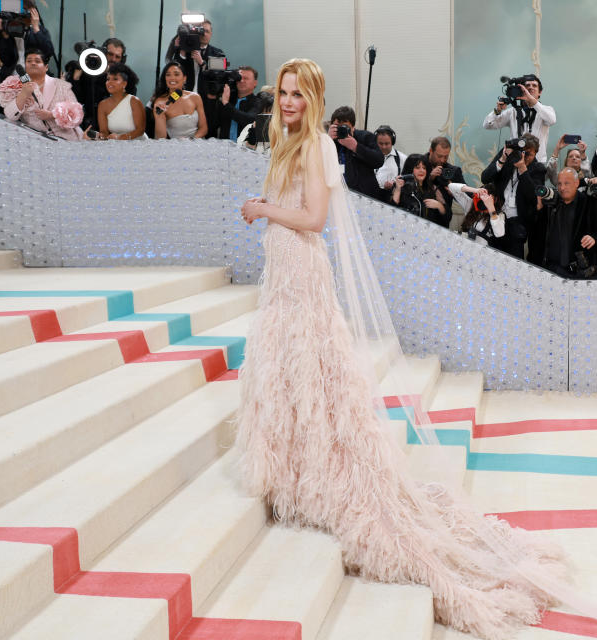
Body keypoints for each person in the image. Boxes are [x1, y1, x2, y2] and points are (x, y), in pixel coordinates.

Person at [235, 57, 565, 640]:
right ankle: (292, 467)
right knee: (289, 366)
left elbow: (313, 218)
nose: (287, 102)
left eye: (296, 94)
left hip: (302, 268)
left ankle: (319, 470)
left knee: (313, 367)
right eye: (282, 93)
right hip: (283, 269)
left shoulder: (313, 144)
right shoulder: (285, 138)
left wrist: (263, 210)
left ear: (312, 97)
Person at [479, 133, 546, 260]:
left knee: (514, 263)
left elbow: (532, 196)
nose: (524, 156)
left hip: (518, 224)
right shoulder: (508, 156)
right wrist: (502, 159)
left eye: (529, 154)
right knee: (492, 259)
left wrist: (522, 168)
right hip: (497, 217)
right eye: (523, 152)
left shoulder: (538, 169)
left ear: (536, 154)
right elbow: (485, 178)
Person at [0, 49, 83, 140]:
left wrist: (52, 115)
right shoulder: (15, 85)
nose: (33, 63)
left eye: (37, 61)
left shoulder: (61, 86)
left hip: (67, 139)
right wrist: (23, 94)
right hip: (36, 140)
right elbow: (10, 116)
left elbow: (77, 114)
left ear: (46, 67)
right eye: (29, 61)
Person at [539, 168, 597, 278]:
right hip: (551, 269)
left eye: (566, 183)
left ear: (577, 183)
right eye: (559, 184)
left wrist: (593, 238)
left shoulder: (589, 203)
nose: (562, 188)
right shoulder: (551, 203)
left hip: (578, 271)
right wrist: (538, 208)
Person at [482, 73, 556, 162]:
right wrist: (497, 111)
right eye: (527, 85)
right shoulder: (513, 111)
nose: (530, 88)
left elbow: (551, 120)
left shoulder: (547, 110)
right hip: (515, 162)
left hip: (537, 163)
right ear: (522, 90)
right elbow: (487, 125)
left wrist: (533, 101)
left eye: (534, 86)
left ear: (540, 92)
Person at [70, 37, 134, 129]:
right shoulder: (88, 69)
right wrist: (76, 79)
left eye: (117, 56)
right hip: (85, 124)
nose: (113, 59)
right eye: (110, 54)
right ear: (103, 53)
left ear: (122, 59)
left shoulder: (126, 78)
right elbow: (75, 99)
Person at [327, 105, 385, 198]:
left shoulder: (365, 137)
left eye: (345, 127)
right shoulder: (329, 141)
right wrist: (327, 140)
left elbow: (379, 161)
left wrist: (356, 147)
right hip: (338, 195)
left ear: (353, 127)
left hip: (364, 195)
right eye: (337, 126)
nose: (341, 130)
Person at [0, 0, 54, 74]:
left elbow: (48, 52)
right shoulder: (7, 31)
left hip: (35, 75)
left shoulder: (39, 30)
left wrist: (36, 28)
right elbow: (7, 60)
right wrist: (5, 36)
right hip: (12, 76)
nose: (20, 20)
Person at [165, 18, 224, 95]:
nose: (204, 34)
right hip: (185, 97)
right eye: (202, 31)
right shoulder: (185, 51)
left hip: (207, 99)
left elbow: (220, 76)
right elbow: (176, 72)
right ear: (196, 32)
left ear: (211, 34)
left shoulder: (217, 53)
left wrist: (202, 63)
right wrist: (182, 50)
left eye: (207, 31)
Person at [151, 61, 207, 139]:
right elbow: (161, 138)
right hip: (176, 147)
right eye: (168, 75)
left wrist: (191, 141)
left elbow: (204, 128)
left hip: (197, 142)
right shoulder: (160, 102)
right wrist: (159, 117)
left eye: (176, 74)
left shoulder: (195, 97)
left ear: (184, 78)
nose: (172, 78)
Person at [389, 153, 446, 224]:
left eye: (424, 168)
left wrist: (439, 206)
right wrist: (398, 189)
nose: (422, 170)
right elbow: (391, 212)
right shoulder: (400, 185)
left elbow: (447, 217)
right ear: (410, 169)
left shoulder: (432, 188)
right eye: (417, 167)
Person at [215, 66, 266, 141]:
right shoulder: (227, 100)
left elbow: (249, 120)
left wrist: (226, 103)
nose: (241, 81)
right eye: (239, 78)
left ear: (255, 83)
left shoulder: (259, 101)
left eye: (246, 78)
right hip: (224, 148)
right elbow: (213, 124)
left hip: (247, 149)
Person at [96, 64, 145, 140]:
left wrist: (121, 137)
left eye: (115, 79)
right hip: (116, 145)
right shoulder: (102, 105)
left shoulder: (134, 101)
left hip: (138, 144)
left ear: (124, 83)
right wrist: (96, 136)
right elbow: (104, 132)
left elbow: (140, 130)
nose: (110, 82)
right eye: (108, 79)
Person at [425, 137, 466, 226]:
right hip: (420, 219)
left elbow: (466, 197)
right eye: (439, 156)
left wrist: (455, 193)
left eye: (446, 156)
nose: (442, 160)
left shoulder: (453, 171)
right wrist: (430, 178)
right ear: (431, 151)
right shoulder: (417, 164)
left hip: (442, 222)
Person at [373, 125, 404, 195]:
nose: (384, 147)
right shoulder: (369, 156)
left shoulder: (402, 158)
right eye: (380, 144)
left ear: (392, 142)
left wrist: (395, 185)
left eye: (387, 144)